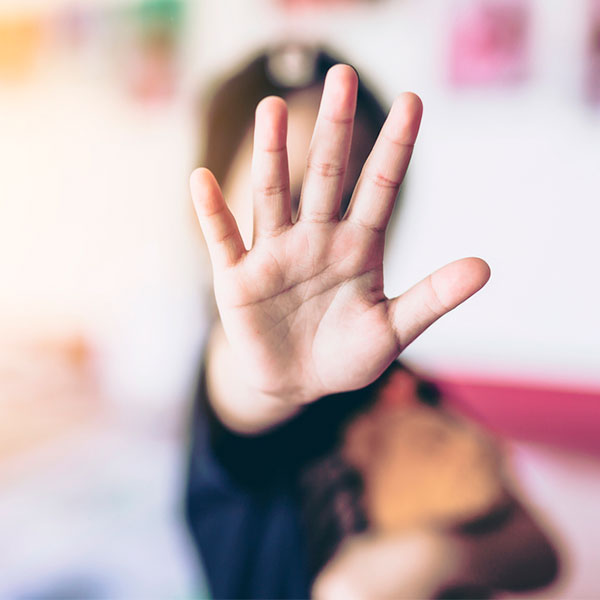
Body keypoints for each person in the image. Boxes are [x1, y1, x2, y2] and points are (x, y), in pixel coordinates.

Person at [184, 46, 557, 599]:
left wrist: (439, 554)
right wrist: (266, 377)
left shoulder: (401, 385)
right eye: (293, 194)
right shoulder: (236, 383)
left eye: (349, 198)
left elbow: (540, 553)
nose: (321, 233)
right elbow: (240, 390)